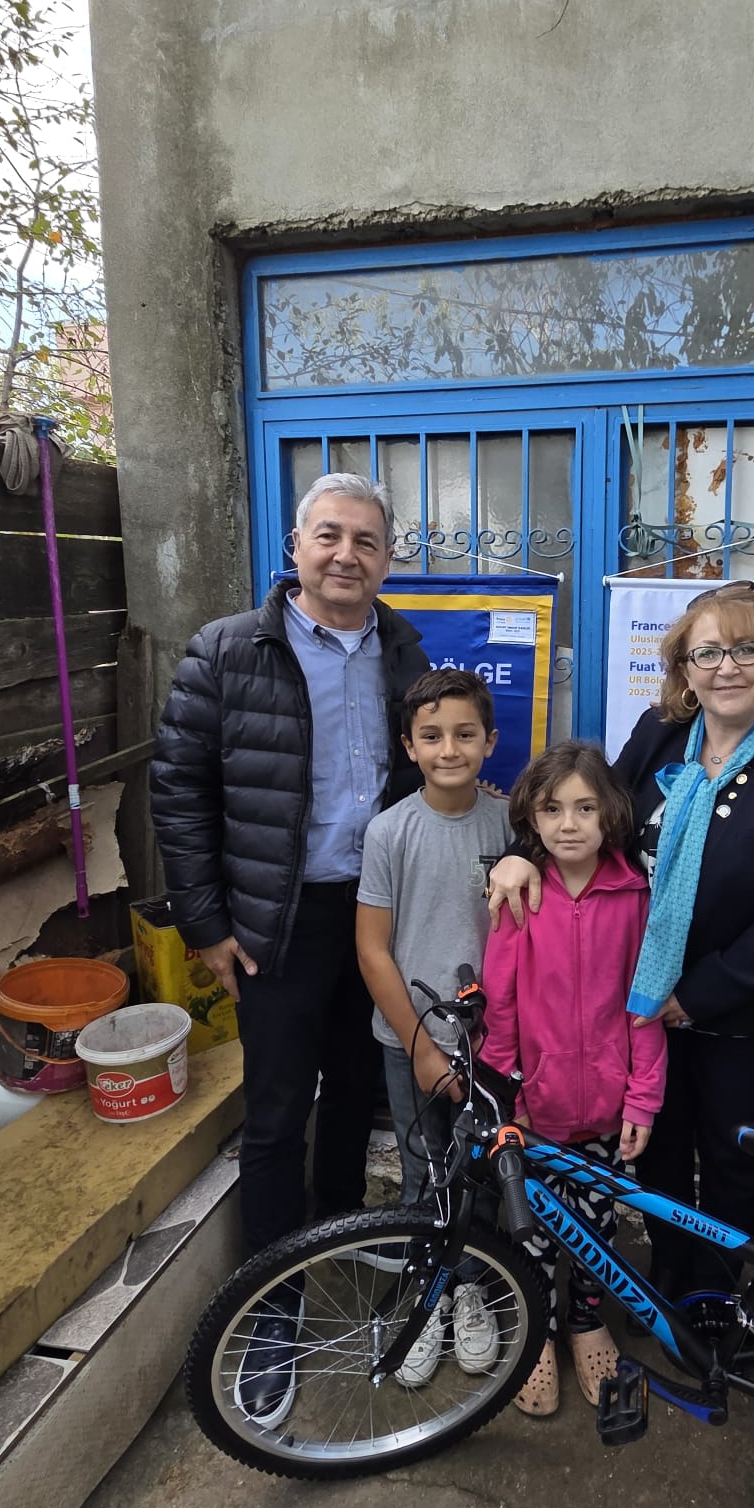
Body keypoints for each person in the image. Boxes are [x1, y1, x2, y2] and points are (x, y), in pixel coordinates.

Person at [150, 472, 428, 1425]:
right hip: (277, 918)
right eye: (329, 536)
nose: (347, 555)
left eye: (366, 541)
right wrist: (206, 925)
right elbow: (178, 791)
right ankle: (273, 1301)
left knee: (355, 1090)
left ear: (387, 559)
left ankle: (338, 1231)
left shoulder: (403, 648)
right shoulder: (228, 649)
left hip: (377, 914)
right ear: (296, 546)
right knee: (275, 1113)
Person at [491, 580, 754, 1301]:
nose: (728, 667)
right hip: (638, 997)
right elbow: (594, 816)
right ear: (685, 667)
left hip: (739, 1009)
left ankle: (715, 1297)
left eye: (748, 649)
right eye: (708, 652)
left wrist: (695, 994)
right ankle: (668, 1274)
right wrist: (521, 854)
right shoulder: (658, 733)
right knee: (656, 1150)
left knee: (731, 1156)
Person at [479, 742, 666, 1417]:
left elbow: (646, 1006)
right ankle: (538, 1334)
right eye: (553, 809)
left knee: (595, 1231)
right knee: (530, 1233)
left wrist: (642, 1097)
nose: (568, 824)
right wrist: (509, 1093)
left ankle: (587, 1323)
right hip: (535, 1109)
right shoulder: (521, 893)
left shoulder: (635, 894)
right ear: (531, 816)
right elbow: (500, 1005)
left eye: (585, 808)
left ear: (610, 812)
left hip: (607, 1110)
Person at [355, 668, 511, 1388]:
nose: (450, 749)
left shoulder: (512, 824)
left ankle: (472, 1289)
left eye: (465, 734)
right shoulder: (389, 832)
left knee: (484, 1174)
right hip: (410, 1043)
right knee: (422, 1172)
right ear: (409, 746)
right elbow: (372, 949)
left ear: (490, 741)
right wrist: (421, 1046)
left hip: (494, 1044)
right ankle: (426, 1295)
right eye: (432, 736)